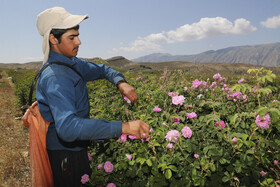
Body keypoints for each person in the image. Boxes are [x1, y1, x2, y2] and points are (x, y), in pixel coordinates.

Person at [36, 7, 150, 186]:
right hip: (65, 154)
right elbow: (68, 128)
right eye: (72, 38)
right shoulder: (56, 77)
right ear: (53, 39)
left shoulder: (72, 64)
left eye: (78, 35)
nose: (79, 42)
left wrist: (121, 82)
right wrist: (123, 127)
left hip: (77, 146)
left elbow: (103, 69)